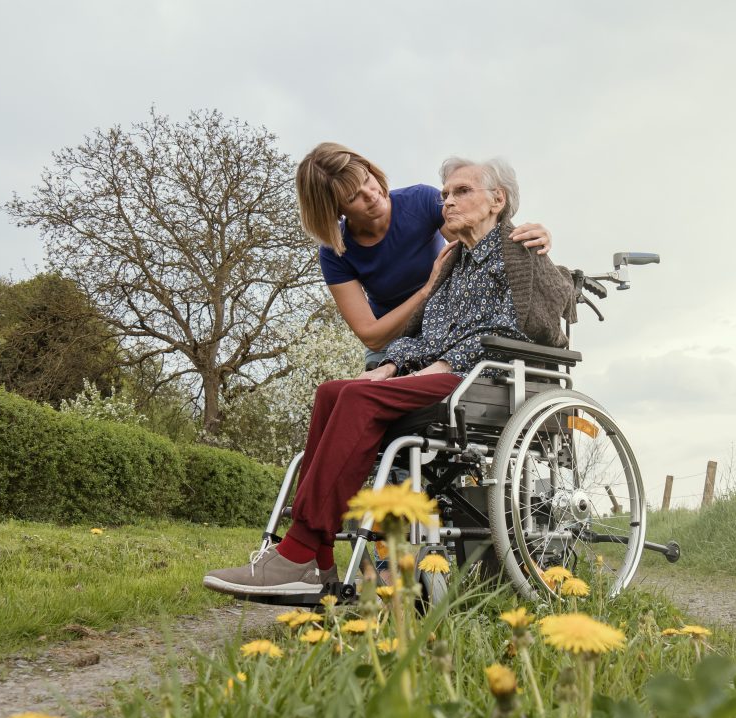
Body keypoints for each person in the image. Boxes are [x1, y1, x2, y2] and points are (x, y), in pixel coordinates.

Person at [203, 157, 574, 597]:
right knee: (333, 393)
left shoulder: (517, 252)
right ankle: (312, 563)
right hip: (439, 371)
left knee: (361, 402)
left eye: (461, 192)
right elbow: (424, 332)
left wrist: (447, 362)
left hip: (481, 381)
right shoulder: (454, 263)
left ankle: (298, 551)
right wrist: (391, 364)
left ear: (498, 200)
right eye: (446, 195)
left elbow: (528, 326)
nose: (447, 203)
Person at [295, 143, 553, 368]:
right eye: (354, 197)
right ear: (335, 210)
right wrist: (427, 289)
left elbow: (483, 238)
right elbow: (372, 336)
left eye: (366, 180)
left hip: (445, 328)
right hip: (392, 343)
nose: (371, 195)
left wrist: (530, 236)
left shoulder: (421, 201)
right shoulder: (334, 254)